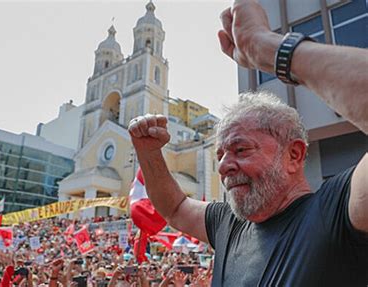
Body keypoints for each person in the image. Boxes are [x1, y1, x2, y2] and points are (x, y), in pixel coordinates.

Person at [127, 0, 368, 285]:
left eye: (240, 149)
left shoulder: (335, 213)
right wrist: (149, 152)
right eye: (220, 155)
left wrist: (268, 48)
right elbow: (175, 208)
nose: (224, 166)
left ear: (294, 154)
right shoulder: (228, 224)